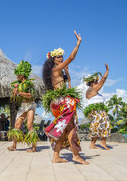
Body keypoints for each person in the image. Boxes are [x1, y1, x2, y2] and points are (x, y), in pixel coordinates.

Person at [42, 30, 89, 165]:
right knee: (71, 128)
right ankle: (75, 155)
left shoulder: (57, 71)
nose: (61, 59)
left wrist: (67, 74)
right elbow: (72, 58)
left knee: (64, 130)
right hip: (62, 101)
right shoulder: (55, 70)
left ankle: (56, 156)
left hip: (56, 102)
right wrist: (78, 44)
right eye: (58, 57)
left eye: (62, 57)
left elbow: (67, 84)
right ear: (53, 59)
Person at [7, 61, 39, 152]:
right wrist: (16, 89)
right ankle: (14, 146)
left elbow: (30, 95)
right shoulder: (17, 84)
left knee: (29, 125)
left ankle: (33, 147)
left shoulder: (29, 84)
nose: (16, 76)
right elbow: (14, 95)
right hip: (23, 106)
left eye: (18, 74)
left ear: (22, 75)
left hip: (31, 106)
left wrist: (19, 92)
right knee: (16, 125)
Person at [83, 64, 111, 150]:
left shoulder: (91, 90)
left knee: (101, 124)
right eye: (95, 82)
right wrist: (107, 71)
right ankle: (99, 143)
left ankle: (97, 143)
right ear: (91, 83)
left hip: (96, 110)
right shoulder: (92, 89)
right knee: (100, 125)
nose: (97, 83)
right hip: (97, 110)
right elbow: (103, 80)